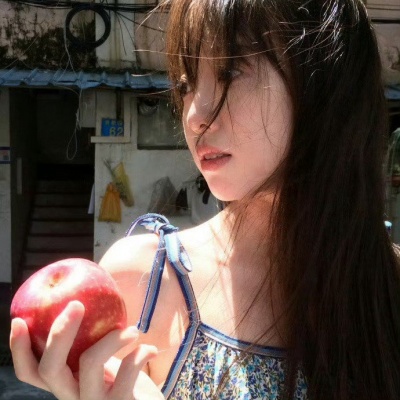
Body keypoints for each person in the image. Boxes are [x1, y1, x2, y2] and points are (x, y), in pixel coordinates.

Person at [10, 0, 400, 399]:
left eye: (230, 71)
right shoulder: (145, 281)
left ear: (326, 82)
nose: (195, 115)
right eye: (185, 85)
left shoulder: (387, 288)